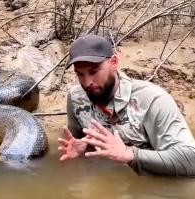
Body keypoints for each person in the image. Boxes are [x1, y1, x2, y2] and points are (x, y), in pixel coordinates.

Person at [58, 34, 195, 176]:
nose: (87, 83)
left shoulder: (152, 100)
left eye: (94, 71)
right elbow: (75, 144)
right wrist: (83, 150)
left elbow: (191, 161)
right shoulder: (76, 97)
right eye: (80, 74)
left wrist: (129, 155)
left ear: (114, 62)